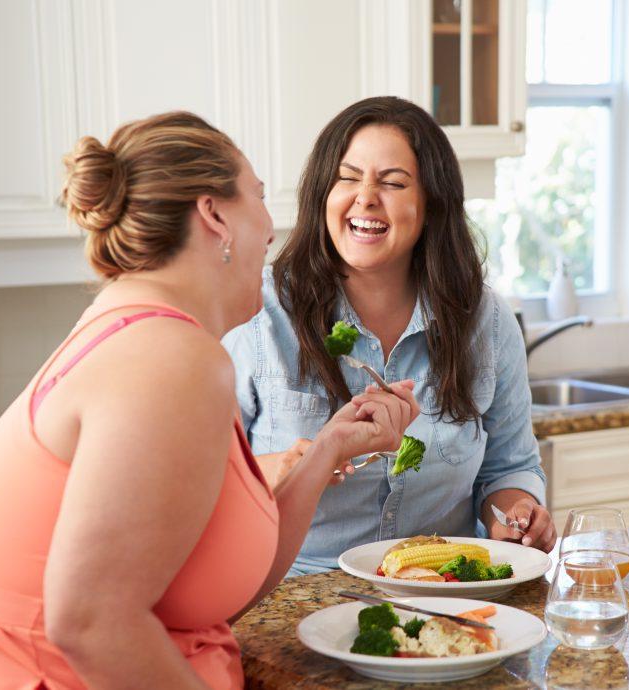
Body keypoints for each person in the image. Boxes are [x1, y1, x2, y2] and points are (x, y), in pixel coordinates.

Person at [0, 111, 419, 689]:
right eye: (259, 197)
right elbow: (90, 622)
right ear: (214, 216)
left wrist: (327, 451)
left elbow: (204, 589)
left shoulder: (144, 332)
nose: (271, 227)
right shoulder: (171, 358)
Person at [224, 96, 556, 577]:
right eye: (348, 177)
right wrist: (305, 462)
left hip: (440, 593)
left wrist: (517, 515)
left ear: (431, 205)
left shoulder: (485, 321)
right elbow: (208, 481)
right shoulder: (258, 313)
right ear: (323, 194)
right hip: (291, 589)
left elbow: (508, 468)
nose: (365, 197)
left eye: (393, 183)